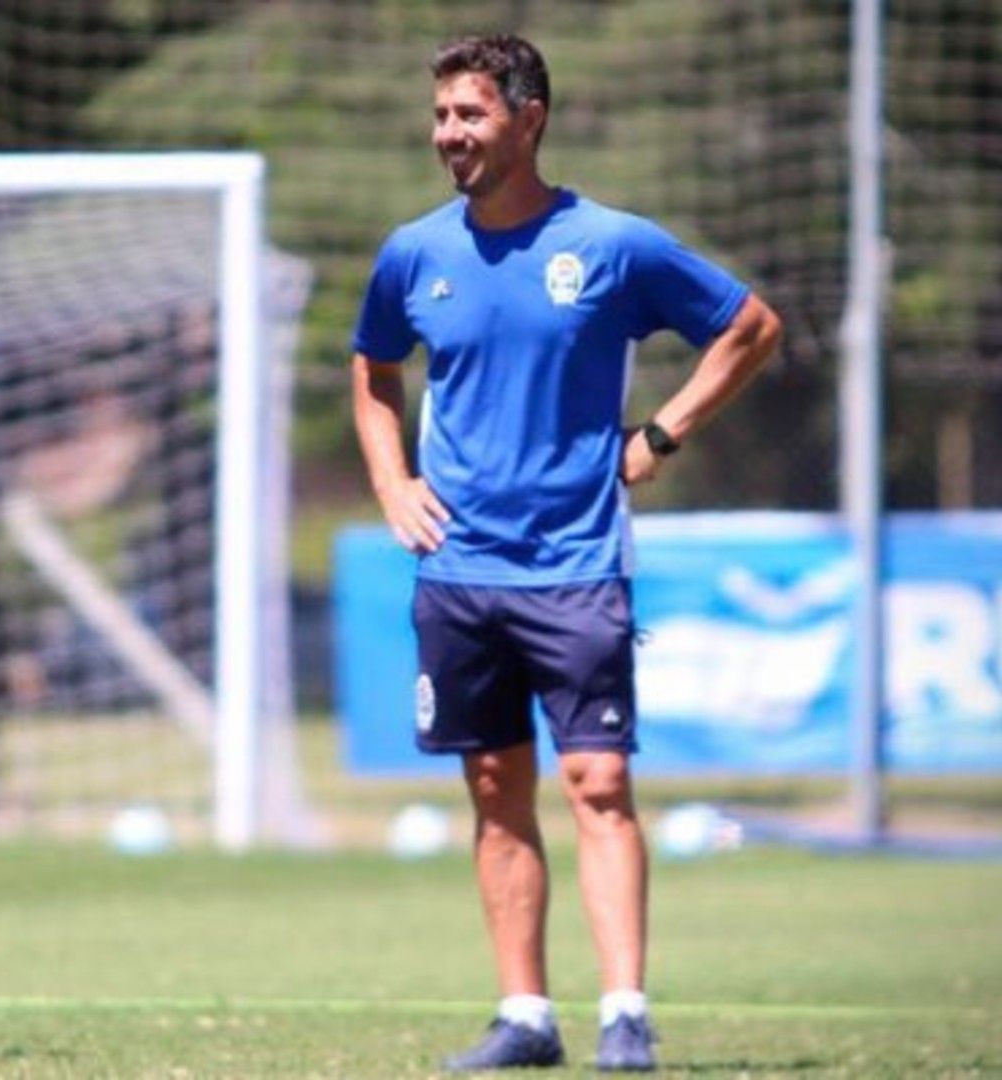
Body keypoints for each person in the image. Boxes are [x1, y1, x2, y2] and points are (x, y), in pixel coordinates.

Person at [350, 34, 781, 1073]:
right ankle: (525, 1017)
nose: (450, 133)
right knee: (496, 796)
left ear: (528, 118)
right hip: (459, 575)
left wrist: (662, 435)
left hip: (578, 565)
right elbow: (374, 371)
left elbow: (751, 327)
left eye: (471, 114)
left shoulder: (614, 244)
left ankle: (624, 1014)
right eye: (443, 114)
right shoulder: (415, 252)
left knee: (597, 783)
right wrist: (393, 484)